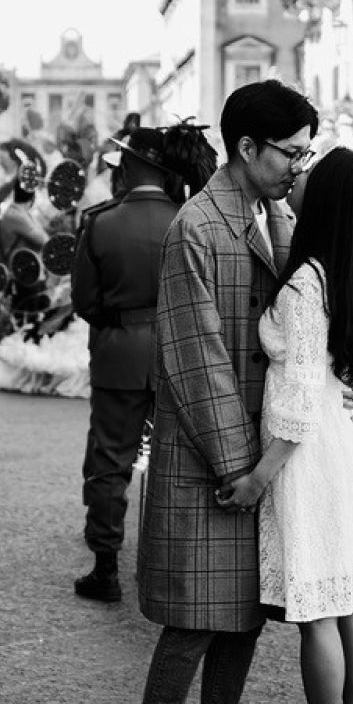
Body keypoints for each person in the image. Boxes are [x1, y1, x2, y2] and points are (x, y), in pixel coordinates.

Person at [121, 79, 315, 704]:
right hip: (213, 456)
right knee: (195, 618)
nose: (298, 163)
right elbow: (196, 358)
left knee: (245, 610)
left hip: (256, 457)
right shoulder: (196, 228)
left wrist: (266, 466)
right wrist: (244, 467)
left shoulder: (274, 211)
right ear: (247, 148)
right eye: (289, 152)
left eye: (304, 151)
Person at [224, 147, 353, 704]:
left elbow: (296, 402)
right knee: (348, 607)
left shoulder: (305, 284)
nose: (293, 181)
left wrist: (257, 478)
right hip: (348, 449)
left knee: (318, 615)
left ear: (323, 203)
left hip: (309, 459)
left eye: (306, 178)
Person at [71, 122, 217, 602]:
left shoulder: (101, 221)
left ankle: (106, 567)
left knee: (110, 459)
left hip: (119, 350)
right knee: (177, 462)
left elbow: (86, 303)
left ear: (131, 165)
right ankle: (176, 565)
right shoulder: (189, 218)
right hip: (180, 350)